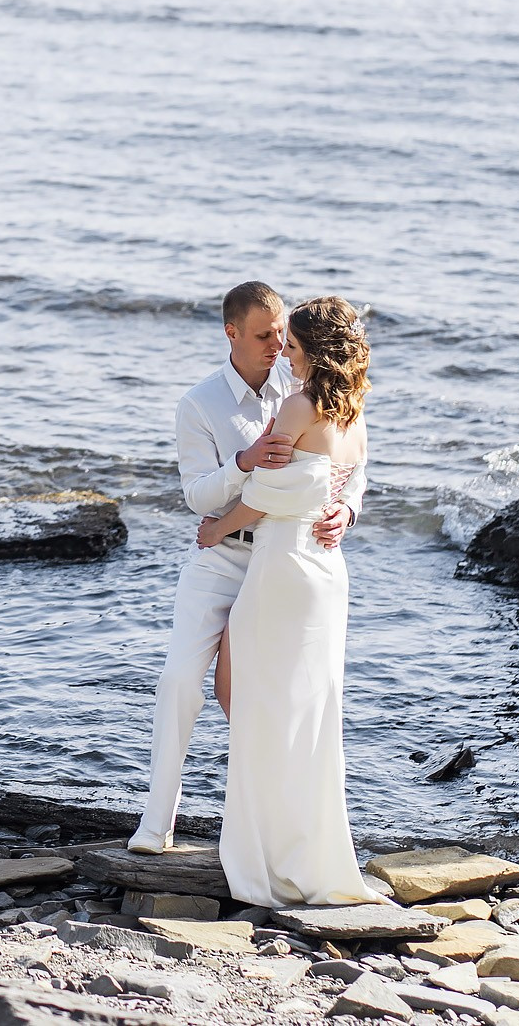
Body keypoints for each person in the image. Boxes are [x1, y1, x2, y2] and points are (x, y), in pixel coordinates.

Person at [128, 281, 355, 857]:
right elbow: (199, 497)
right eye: (264, 335)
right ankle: (158, 823)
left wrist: (348, 510)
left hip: (285, 562)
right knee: (181, 679)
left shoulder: (303, 384)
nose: (278, 345)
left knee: (265, 698)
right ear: (231, 333)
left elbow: (350, 455)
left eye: (283, 332)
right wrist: (243, 462)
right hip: (221, 559)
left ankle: (263, 825)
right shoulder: (198, 404)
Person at [196, 295, 379, 907]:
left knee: (245, 692)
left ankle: (265, 849)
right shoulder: (351, 407)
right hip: (326, 570)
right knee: (305, 708)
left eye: (294, 348)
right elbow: (349, 477)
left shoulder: (299, 405)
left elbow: (269, 492)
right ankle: (299, 842)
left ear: (317, 352)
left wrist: (218, 527)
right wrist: (346, 509)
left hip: (284, 565)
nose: (285, 358)